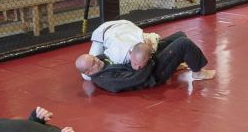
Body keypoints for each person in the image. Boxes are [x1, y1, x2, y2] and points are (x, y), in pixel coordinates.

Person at [74, 31, 215, 93]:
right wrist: (148, 56)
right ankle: (198, 72)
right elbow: (137, 78)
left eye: (94, 59)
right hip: (152, 74)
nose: (96, 61)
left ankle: (176, 64)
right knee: (183, 43)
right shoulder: (107, 79)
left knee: (179, 35)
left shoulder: (101, 60)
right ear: (88, 72)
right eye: (92, 64)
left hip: (145, 64)